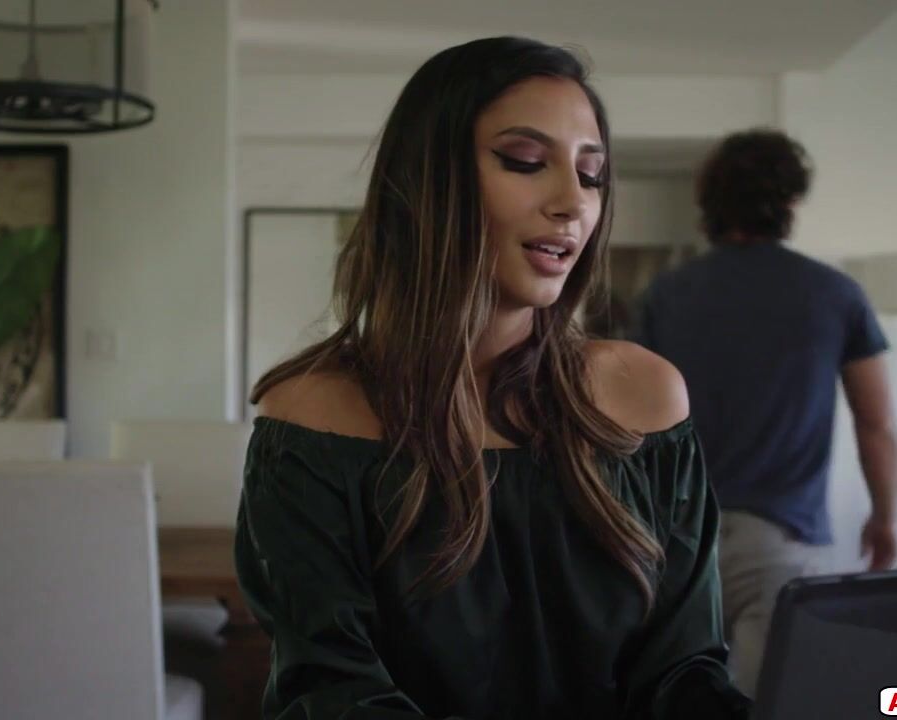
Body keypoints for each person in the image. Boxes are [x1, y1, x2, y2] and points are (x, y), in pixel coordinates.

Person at [234, 37, 750, 720]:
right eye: (526, 161)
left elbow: (684, 671)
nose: (573, 201)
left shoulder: (646, 395)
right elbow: (333, 690)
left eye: (591, 174)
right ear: (430, 180)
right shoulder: (312, 416)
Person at [635, 128, 897, 697]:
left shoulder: (666, 294)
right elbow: (876, 423)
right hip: (782, 541)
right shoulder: (835, 294)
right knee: (775, 699)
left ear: (709, 202)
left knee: (685, 699)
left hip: (678, 536)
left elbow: (632, 423)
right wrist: (885, 517)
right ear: (790, 200)